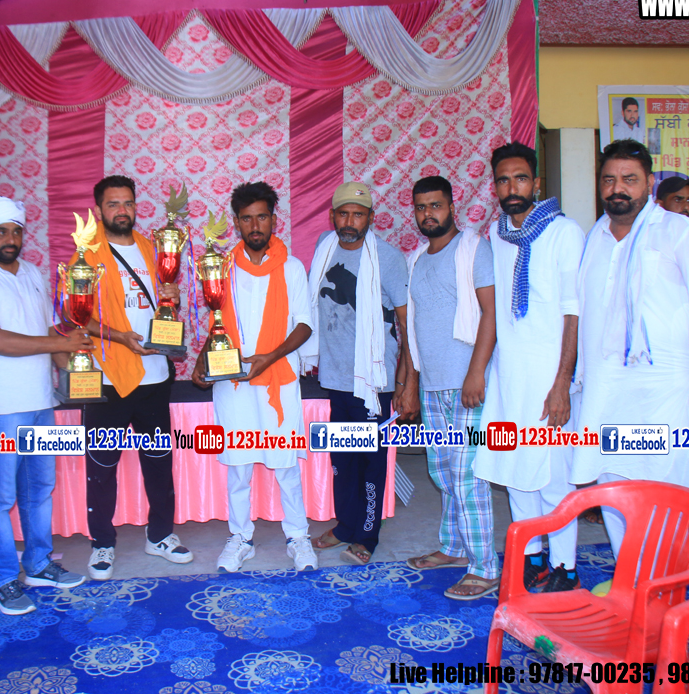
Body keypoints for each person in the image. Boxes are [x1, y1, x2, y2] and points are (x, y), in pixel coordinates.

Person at [574, 139, 689, 558]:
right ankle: (630, 578)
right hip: (608, 390)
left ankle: (664, 581)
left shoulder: (681, 233)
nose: (617, 189)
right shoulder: (595, 237)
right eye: (609, 179)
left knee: (664, 486)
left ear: (649, 183)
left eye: (629, 179)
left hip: (665, 390)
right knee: (614, 482)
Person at [0, 197, 87, 614]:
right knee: (0, 496)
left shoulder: (31, 272)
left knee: (40, 489)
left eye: (16, 231)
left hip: (41, 402)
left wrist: (75, 370)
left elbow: (48, 330)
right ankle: (1, 580)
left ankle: (38, 564)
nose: (10, 239)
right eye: (1, 231)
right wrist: (58, 344)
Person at [472, 143, 585, 593]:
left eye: (520, 178)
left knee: (553, 476)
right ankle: (533, 556)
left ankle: (566, 567)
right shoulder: (498, 235)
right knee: (515, 469)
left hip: (550, 376)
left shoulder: (564, 232)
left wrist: (562, 383)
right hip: (510, 374)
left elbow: (573, 313)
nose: (512, 188)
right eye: (503, 180)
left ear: (536, 183)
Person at [190, 182, 317, 573]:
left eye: (262, 217)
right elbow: (216, 324)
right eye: (247, 219)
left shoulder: (292, 267)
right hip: (232, 381)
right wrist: (203, 360)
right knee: (238, 465)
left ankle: (298, 536)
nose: (255, 225)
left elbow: (304, 325)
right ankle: (240, 537)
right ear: (237, 222)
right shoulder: (222, 268)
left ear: (274, 220)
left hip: (278, 378)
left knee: (285, 464)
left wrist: (269, 358)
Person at [82, 175, 192, 581]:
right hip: (109, 377)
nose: (122, 210)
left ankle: (160, 535)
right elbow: (76, 317)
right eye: (113, 204)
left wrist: (172, 299)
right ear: (99, 209)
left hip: (155, 377)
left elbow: (163, 302)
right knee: (102, 465)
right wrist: (119, 337)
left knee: (159, 462)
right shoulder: (86, 254)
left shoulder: (153, 248)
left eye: (127, 202)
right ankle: (102, 543)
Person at [305, 181, 411, 566]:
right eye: (343, 213)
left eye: (358, 214)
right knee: (343, 458)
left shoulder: (388, 258)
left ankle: (367, 534)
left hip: (373, 383)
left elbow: (406, 323)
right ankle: (345, 524)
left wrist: (407, 382)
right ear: (332, 216)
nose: (350, 221)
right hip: (335, 377)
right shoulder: (325, 246)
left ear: (371, 218)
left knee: (370, 460)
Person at [402, 175, 498, 600]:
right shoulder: (416, 260)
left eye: (436, 205)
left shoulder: (474, 249)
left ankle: (484, 567)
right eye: (421, 207)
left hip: (467, 384)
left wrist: (476, 373)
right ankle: (454, 546)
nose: (428, 214)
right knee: (442, 472)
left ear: (452, 207)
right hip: (433, 385)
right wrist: (411, 382)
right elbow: (413, 327)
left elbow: (490, 312)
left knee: (467, 476)